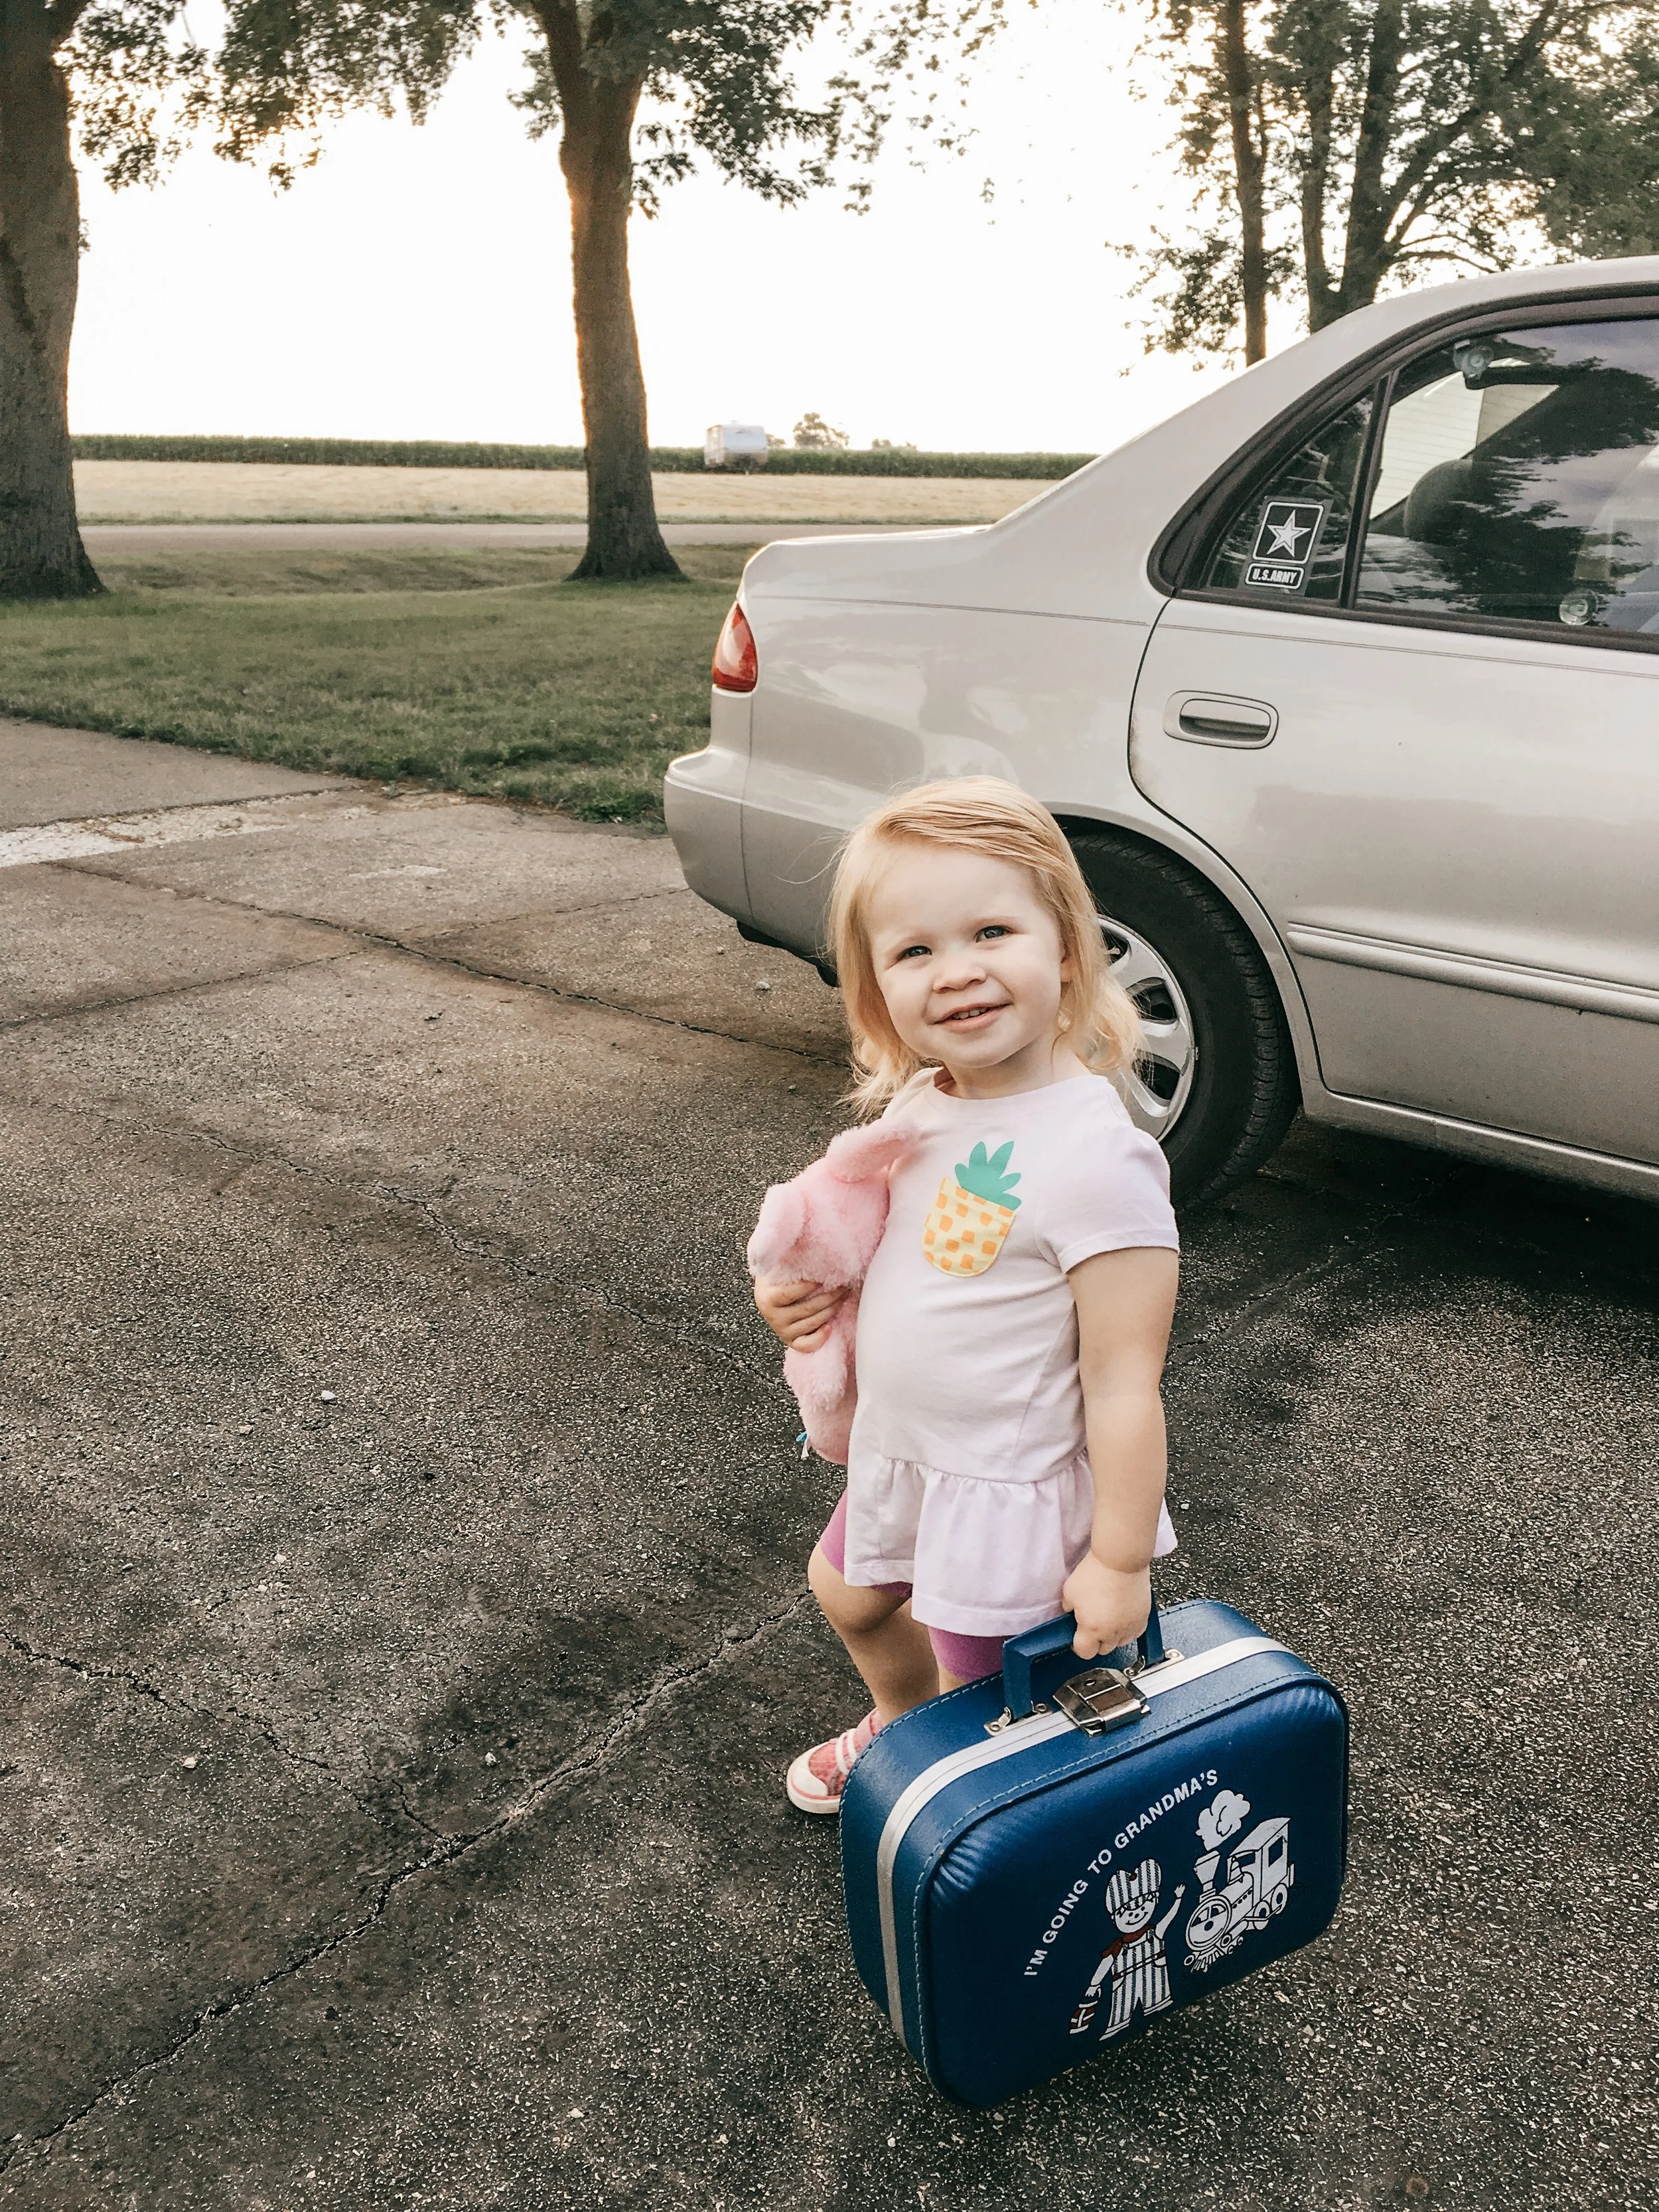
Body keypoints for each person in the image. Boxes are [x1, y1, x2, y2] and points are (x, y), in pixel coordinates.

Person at [753, 777, 1181, 1814]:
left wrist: (1120, 1562)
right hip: (915, 1461)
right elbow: (893, 1257)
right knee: (847, 1594)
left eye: (992, 930)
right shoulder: (925, 1104)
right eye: (915, 951)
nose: (959, 973)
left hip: (1003, 1493)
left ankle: (957, 1799)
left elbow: (1126, 1384)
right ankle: (902, 1736)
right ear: (876, 993)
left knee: (981, 1693)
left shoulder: (1098, 1161)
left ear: (1068, 950)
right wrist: (795, 1304)